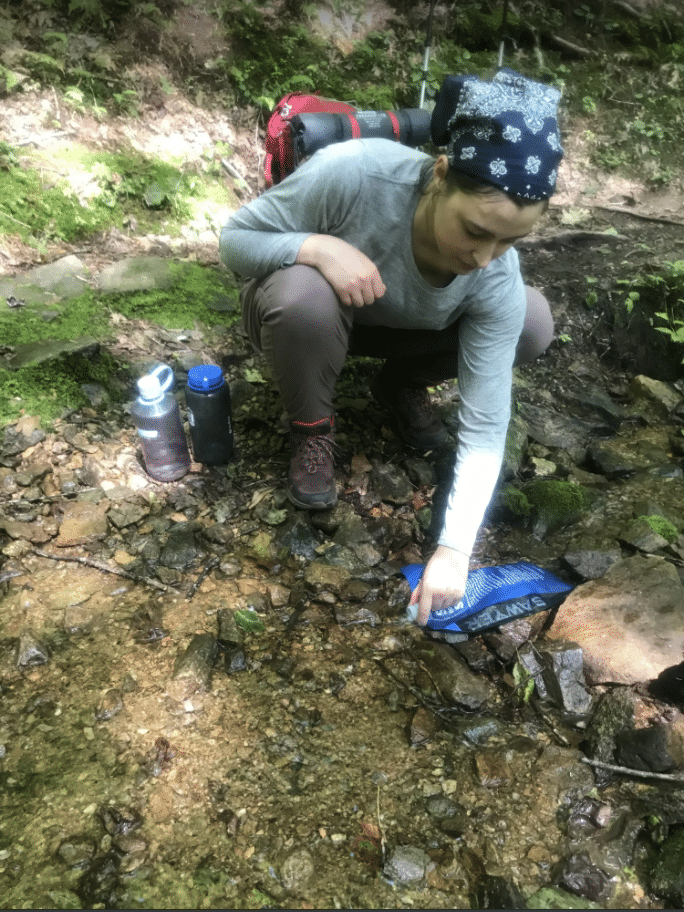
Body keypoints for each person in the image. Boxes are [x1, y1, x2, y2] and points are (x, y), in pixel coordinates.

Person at [220, 68, 563, 628]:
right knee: (302, 293)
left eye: (510, 240)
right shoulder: (356, 173)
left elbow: (484, 424)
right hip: (314, 314)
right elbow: (234, 243)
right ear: (442, 174)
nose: (485, 256)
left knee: (532, 320)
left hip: (408, 331)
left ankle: (400, 383)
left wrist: (454, 548)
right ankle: (312, 430)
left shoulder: (495, 273)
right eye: (475, 231)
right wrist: (316, 247)